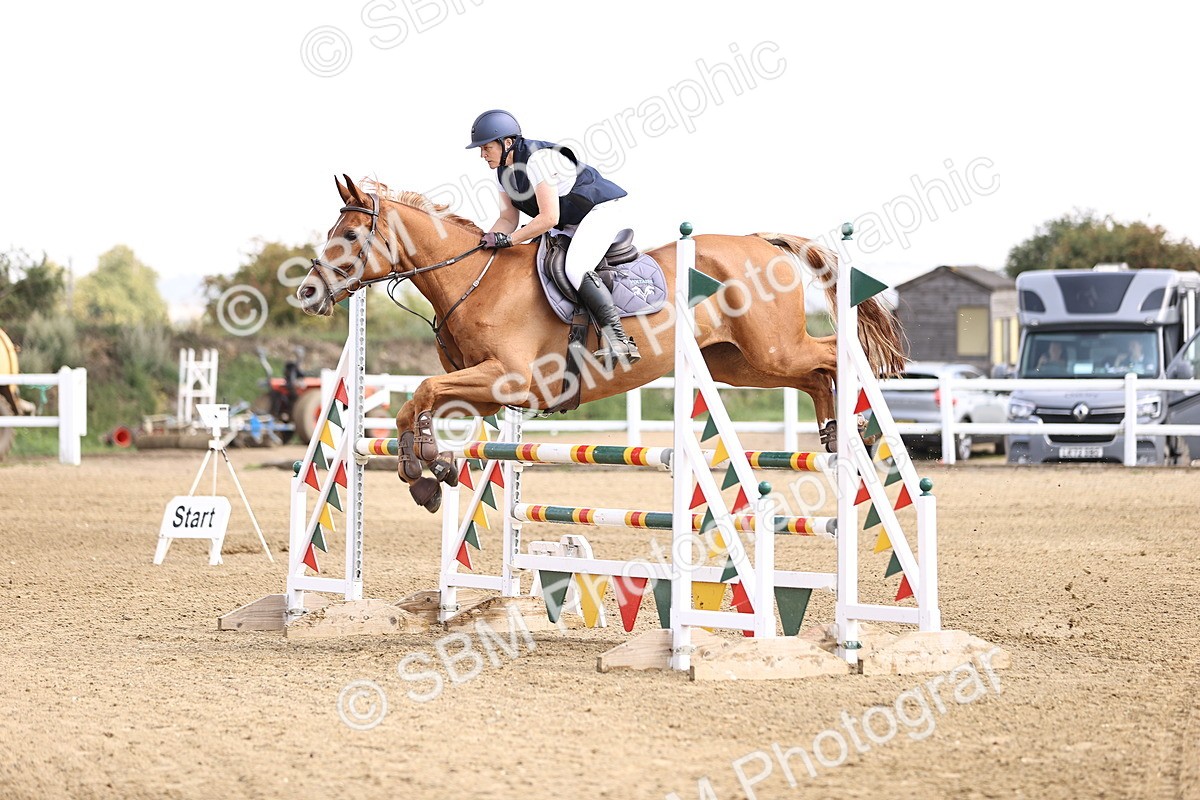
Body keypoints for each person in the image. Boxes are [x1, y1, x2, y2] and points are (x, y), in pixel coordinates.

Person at [466, 109, 640, 364]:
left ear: (507, 143)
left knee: (575, 268)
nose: (482, 155)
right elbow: (508, 220)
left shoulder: (538, 160)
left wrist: (509, 241)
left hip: (600, 210)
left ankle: (619, 340)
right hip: (571, 218)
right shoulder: (502, 173)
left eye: (486, 148)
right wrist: (482, 244)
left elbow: (549, 219)